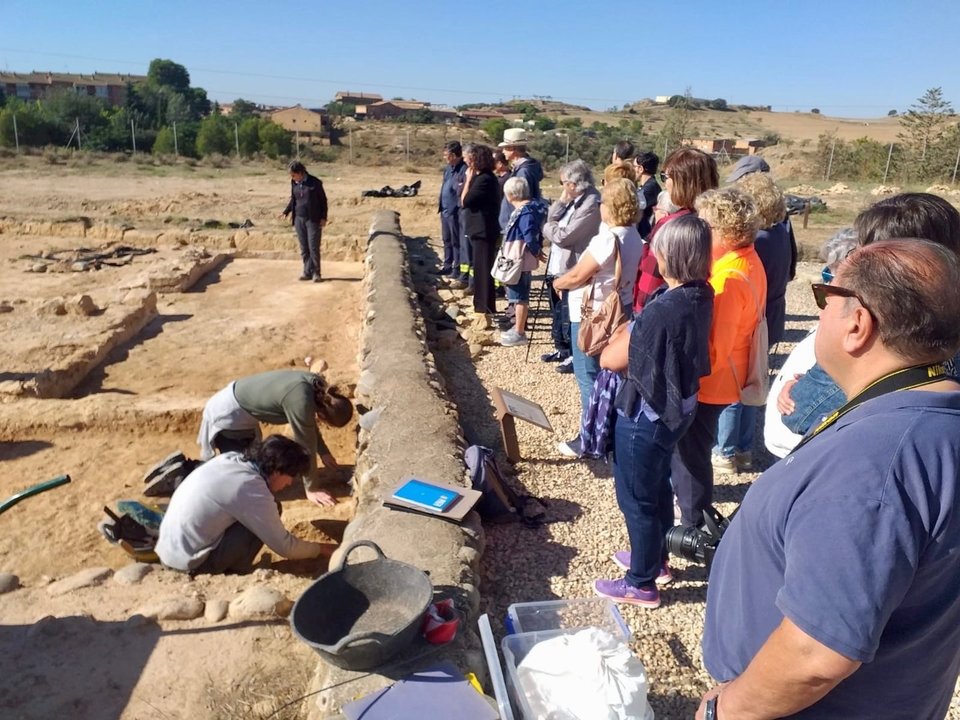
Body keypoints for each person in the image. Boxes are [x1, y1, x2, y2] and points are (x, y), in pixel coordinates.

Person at [698, 239, 960, 720]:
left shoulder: (873, 462)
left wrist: (727, 709)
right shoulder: (937, 415)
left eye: (826, 296)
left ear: (858, 324)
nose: (821, 310)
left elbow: (815, 657)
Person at [593, 216, 714, 608]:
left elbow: (612, 359)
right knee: (657, 487)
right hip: (680, 410)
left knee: (636, 498)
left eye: (657, 248)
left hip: (647, 414)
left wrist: (625, 333)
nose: (653, 254)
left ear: (669, 255)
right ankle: (656, 558)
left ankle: (641, 582)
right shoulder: (701, 294)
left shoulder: (662, 310)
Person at [778, 192, 960, 437]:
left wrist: (805, 386)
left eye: (864, 248)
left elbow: (801, 413)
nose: (855, 256)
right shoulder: (947, 310)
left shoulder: (881, 329)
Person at [672, 187, 764, 528]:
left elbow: (714, 348)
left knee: (690, 456)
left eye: (705, 225)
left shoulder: (727, 280)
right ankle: (692, 515)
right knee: (694, 452)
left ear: (724, 232)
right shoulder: (749, 259)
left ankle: (692, 526)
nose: (699, 230)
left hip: (713, 382)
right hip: (729, 374)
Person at [553, 178, 643, 457]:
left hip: (595, 315)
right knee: (611, 375)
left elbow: (579, 274)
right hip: (621, 309)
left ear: (611, 206)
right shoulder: (634, 236)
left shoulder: (607, 238)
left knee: (587, 375)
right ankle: (609, 432)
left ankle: (590, 437)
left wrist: (558, 283)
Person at [711, 172, 791, 473]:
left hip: (755, 313)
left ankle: (727, 450)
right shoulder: (781, 232)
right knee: (751, 380)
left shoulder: (761, 241)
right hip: (771, 312)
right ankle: (742, 447)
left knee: (735, 383)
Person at [157, 436, 328, 574]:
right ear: (277, 471)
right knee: (269, 510)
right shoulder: (251, 488)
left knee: (264, 510)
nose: (290, 483)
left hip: (167, 550)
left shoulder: (229, 458)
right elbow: (285, 547)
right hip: (190, 564)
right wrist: (323, 549)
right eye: (292, 476)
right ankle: (236, 572)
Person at [763, 229, 858, 458]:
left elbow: (801, 411)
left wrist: (800, 391)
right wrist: (802, 381)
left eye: (831, 283)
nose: (825, 298)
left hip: (803, 449)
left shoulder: (852, 329)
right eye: (826, 276)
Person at [197, 370, 353, 507]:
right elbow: (306, 445)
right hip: (227, 417)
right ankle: (192, 480)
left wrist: (323, 452)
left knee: (255, 465)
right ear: (323, 415)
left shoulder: (319, 388)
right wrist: (311, 488)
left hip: (237, 405)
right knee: (244, 475)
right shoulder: (301, 401)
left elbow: (307, 423)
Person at [633, 148, 719, 313]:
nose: (665, 183)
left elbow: (650, 280)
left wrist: (639, 316)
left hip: (659, 312)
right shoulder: (714, 221)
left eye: (666, 176)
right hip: (698, 309)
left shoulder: (670, 225)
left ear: (682, 181)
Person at [541, 160, 602, 374]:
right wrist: (560, 202)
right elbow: (553, 221)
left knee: (571, 315)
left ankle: (573, 356)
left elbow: (564, 236)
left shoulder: (590, 204)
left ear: (574, 184)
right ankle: (564, 350)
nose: (562, 187)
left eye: (563, 183)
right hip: (563, 264)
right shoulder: (575, 199)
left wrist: (549, 228)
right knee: (560, 311)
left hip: (576, 266)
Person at [499, 176, 546, 347]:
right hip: (517, 259)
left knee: (519, 297)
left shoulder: (525, 212)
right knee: (516, 295)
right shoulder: (527, 209)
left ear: (511, 195)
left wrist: (536, 251)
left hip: (519, 260)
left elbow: (529, 234)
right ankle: (517, 327)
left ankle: (519, 331)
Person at [460, 143, 501, 322]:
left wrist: (468, 180)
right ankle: (484, 305)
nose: (466, 160)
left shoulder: (484, 179)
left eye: (470, 157)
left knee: (483, 269)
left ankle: (483, 307)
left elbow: (465, 201)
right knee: (480, 268)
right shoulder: (485, 178)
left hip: (483, 229)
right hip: (480, 229)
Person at [280, 160, 328, 283]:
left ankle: (316, 273)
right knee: (304, 248)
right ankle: (307, 272)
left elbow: (323, 201)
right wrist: (286, 211)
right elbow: (293, 199)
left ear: (300, 173)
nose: (292, 177)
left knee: (313, 247)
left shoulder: (315, 183)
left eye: (293, 174)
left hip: (313, 219)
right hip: (299, 219)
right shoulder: (294, 183)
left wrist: (323, 218)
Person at [497, 128, 543, 233]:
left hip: (517, 229)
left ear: (512, 148)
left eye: (505, 148)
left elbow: (523, 204)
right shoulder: (523, 169)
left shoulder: (523, 172)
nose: (503, 151)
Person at [438, 141, 466, 276]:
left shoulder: (464, 169)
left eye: (446, 155)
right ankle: (447, 265)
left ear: (454, 155)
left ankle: (457, 267)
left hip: (455, 212)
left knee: (456, 241)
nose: (445, 158)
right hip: (444, 210)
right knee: (446, 239)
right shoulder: (448, 169)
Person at [633, 151, 661, 238]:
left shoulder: (650, 188)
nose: (632, 170)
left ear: (640, 169)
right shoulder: (648, 186)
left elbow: (634, 205)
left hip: (645, 236)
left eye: (634, 166)